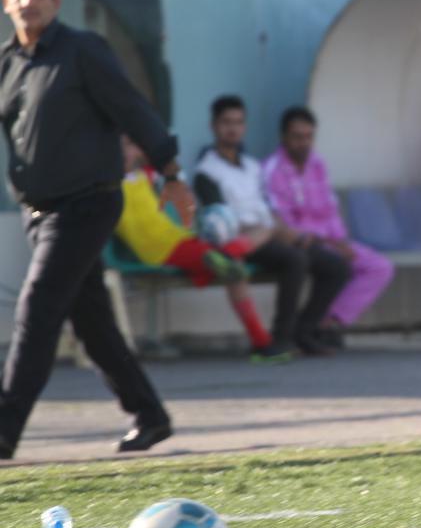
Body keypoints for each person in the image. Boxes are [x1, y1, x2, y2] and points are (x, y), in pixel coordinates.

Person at [0, 0, 192, 458]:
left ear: (56, 1)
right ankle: (149, 415)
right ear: (6, 2)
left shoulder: (83, 51)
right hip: (38, 213)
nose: (30, 1)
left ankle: (4, 430)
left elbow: (134, 110)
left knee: (37, 307)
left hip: (87, 204)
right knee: (92, 324)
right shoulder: (7, 64)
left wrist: (171, 175)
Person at [194, 95, 351, 359]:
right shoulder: (206, 172)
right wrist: (270, 233)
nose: (232, 128)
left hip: (271, 235)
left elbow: (270, 211)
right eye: (226, 122)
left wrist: (293, 235)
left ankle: (305, 331)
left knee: (336, 266)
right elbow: (219, 222)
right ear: (213, 126)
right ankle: (281, 337)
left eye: (238, 122)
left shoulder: (252, 167)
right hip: (240, 241)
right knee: (295, 260)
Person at [116, 136, 289, 361]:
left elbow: (159, 151)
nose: (125, 151)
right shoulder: (107, 186)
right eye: (120, 146)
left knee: (266, 228)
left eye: (130, 145)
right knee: (233, 269)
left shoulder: (143, 175)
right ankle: (261, 342)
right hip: (161, 250)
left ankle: (231, 251)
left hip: (183, 239)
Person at [262, 106, 394, 343]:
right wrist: (328, 243)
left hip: (331, 241)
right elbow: (282, 223)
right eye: (297, 137)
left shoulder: (317, 164)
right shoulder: (272, 170)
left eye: (308, 136)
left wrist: (341, 240)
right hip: (301, 242)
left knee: (380, 267)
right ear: (284, 138)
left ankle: (327, 323)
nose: (303, 143)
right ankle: (304, 329)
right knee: (332, 264)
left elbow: (330, 210)